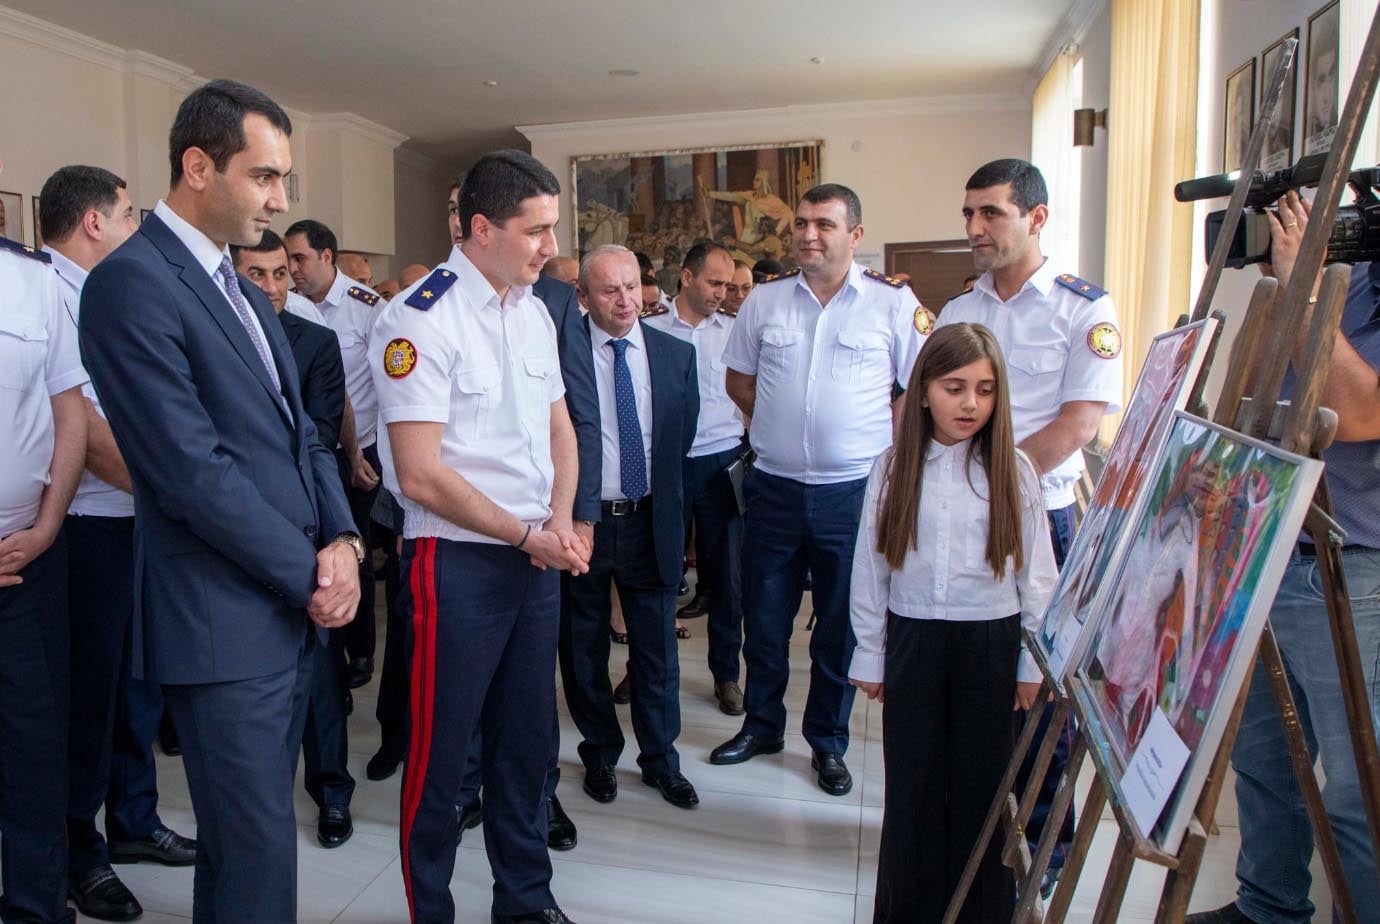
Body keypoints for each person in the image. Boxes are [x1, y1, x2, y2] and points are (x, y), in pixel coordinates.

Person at [79, 78, 361, 923]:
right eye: (264, 177)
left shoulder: (241, 288)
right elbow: (188, 472)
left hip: (288, 604)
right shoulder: (132, 283)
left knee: (250, 853)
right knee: (255, 853)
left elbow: (305, 436)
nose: (280, 201)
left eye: (283, 180)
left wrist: (344, 541)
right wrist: (310, 572)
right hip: (223, 618)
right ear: (198, 166)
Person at [371, 148, 587, 924]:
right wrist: (528, 534)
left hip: (534, 557)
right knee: (441, 757)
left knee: (527, 746)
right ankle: (430, 910)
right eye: (536, 231)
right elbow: (420, 474)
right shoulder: (418, 319)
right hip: (457, 564)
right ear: (481, 228)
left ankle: (525, 901)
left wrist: (558, 520)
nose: (551, 248)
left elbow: (561, 429)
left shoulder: (532, 311)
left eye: (553, 229)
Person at [1187, 192, 1380, 924]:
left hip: (1352, 564)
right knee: (1265, 758)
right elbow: (1248, 394)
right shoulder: (1336, 278)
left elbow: (1357, 413)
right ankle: (1269, 906)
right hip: (1266, 545)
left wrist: (1307, 289)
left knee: (1356, 783)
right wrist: (1280, 289)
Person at [936, 158, 1122, 891]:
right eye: (969, 213)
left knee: (1040, 689)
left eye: (991, 212)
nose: (975, 227)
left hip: (1043, 520)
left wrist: (990, 486)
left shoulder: (1083, 310)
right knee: (973, 678)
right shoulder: (957, 312)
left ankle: (1044, 844)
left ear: (1036, 217)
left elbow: (1078, 425)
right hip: (960, 525)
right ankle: (977, 828)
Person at [713, 183, 926, 795]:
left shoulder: (892, 303)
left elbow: (918, 389)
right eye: (802, 223)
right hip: (773, 489)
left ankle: (828, 743)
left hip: (852, 494)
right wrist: (782, 430)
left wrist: (884, 449)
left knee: (840, 624)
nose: (808, 234)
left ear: (854, 235)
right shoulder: (765, 300)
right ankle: (761, 727)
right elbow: (739, 381)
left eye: (824, 224)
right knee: (765, 617)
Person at [851, 322, 1055, 923]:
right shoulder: (894, 467)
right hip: (914, 638)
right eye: (954, 387)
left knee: (981, 792)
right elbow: (871, 568)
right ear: (922, 392)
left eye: (985, 391)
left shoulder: (1013, 469)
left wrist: (1030, 663)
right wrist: (871, 652)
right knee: (912, 786)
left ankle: (980, 913)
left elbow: (1037, 575)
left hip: (989, 641)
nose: (970, 404)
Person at [40, 165, 197, 923]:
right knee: (88, 700)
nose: (137, 227)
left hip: (134, 519)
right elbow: (92, 433)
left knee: (138, 683)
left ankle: (134, 819)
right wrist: (179, 496)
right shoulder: (50, 295)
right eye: (129, 213)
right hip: (88, 525)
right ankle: (80, 853)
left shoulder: (108, 291)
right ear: (94, 221)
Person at [560, 244, 700, 811]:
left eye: (633, 286)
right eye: (610, 290)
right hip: (583, 523)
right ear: (583, 296)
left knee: (656, 650)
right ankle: (599, 752)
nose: (625, 300)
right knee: (583, 648)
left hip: (649, 521)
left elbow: (678, 443)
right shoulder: (561, 353)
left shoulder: (675, 355)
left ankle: (661, 759)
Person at [233, 229, 357, 849]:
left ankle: (332, 791)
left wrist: (339, 534)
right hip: (236, 528)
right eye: (257, 275)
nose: (272, 287)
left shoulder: (316, 342)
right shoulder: (215, 341)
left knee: (322, 671)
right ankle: (260, 808)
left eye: (281, 273)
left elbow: (319, 440)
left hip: (306, 526)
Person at [0, 230, 88, 924]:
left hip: (26, 558)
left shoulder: (34, 284)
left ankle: (37, 908)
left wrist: (50, 525)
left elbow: (70, 417)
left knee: (34, 748)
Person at [644, 241, 748, 715]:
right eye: (714, 282)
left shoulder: (735, 331)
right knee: (659, 569)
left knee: (725, 575)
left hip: (721, 461)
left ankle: (726, 674)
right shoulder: (650, 329)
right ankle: (647, 669)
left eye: (727, 284)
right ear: (686, 278)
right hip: (668, 462)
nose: (722, 292)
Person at [285, 218, 384, 690]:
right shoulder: (292, 307)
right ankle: (326, 660)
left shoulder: (367, 308)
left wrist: (370, 454)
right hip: (315, 449)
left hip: (361, 454)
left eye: (300, 258)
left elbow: (390, 386)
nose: (293, 268)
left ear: (326, 256)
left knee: (352, 549)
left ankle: (360, 650)